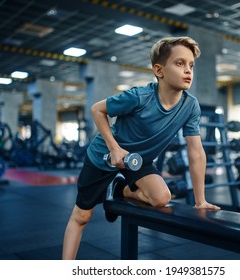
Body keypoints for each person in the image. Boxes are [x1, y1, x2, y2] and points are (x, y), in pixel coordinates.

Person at [62, 36, 221, 260]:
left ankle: (118, 189)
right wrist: (115, 149)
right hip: (104, 156)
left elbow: (196, 152)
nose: (188, 71)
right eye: (179, 63)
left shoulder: (190, 105)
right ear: (159, 70)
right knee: (82, 217)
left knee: (160, 198)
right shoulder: (140, 97)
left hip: (139, 161)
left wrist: (200, 200)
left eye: (191, 65)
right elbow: (97, 109)